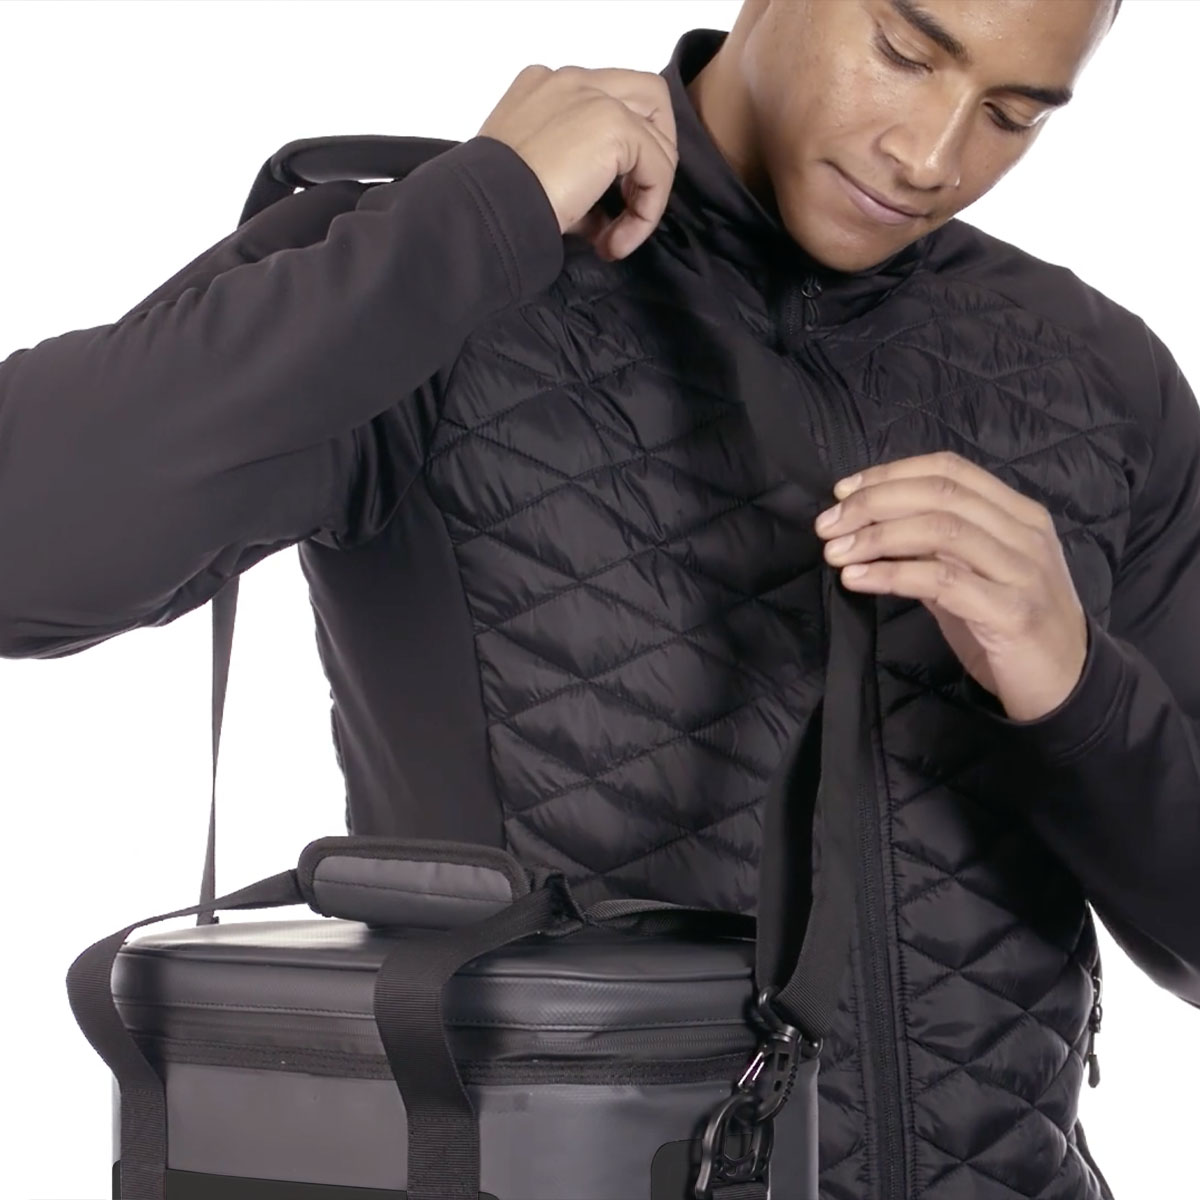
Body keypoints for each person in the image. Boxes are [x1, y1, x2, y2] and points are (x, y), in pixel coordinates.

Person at [1, 0, 1195, 1196]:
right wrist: (481, 216)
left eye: (1010, 114)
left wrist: (1079, 691)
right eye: (903, 53)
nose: (932, 156)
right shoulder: (442, 270)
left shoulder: (1094, 376)